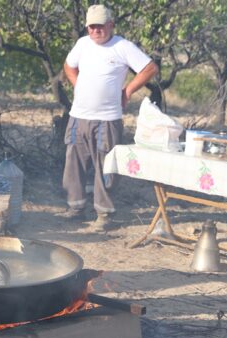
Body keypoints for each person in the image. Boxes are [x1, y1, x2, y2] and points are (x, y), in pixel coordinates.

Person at [61, 5, 157, 230]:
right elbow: (68, 66)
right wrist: (77, 84)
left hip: (107, 119)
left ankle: (103, 215)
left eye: (100, 26)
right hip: (78, 116)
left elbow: (149, 68)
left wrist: (128, 90)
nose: (96, 31)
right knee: (73, 163)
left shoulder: (122, 46)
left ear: (111, 25)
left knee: (105, 166)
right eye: (91, 27)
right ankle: (75, 208)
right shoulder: (82, 44)